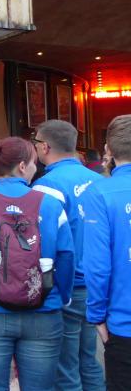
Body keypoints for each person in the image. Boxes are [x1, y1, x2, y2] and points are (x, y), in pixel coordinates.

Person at [0, 137, 75, 391]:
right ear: (22, 165)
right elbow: (66, 256)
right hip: (43, 309)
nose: (35, 168)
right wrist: (63, 296)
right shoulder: (50, 203)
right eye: (33, 163)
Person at [30, 120, 106, 391]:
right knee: (89, 360)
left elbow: (42, 242)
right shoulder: (100, 181)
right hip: (97, 283)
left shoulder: (46, 186)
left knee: (65, 368)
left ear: (44, 146)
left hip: (67, 286)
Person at [82, 115, 131, 391]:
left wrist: (97, 315)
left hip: (123, 322)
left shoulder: (100, 192)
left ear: (108, 150)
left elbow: (98, 265)